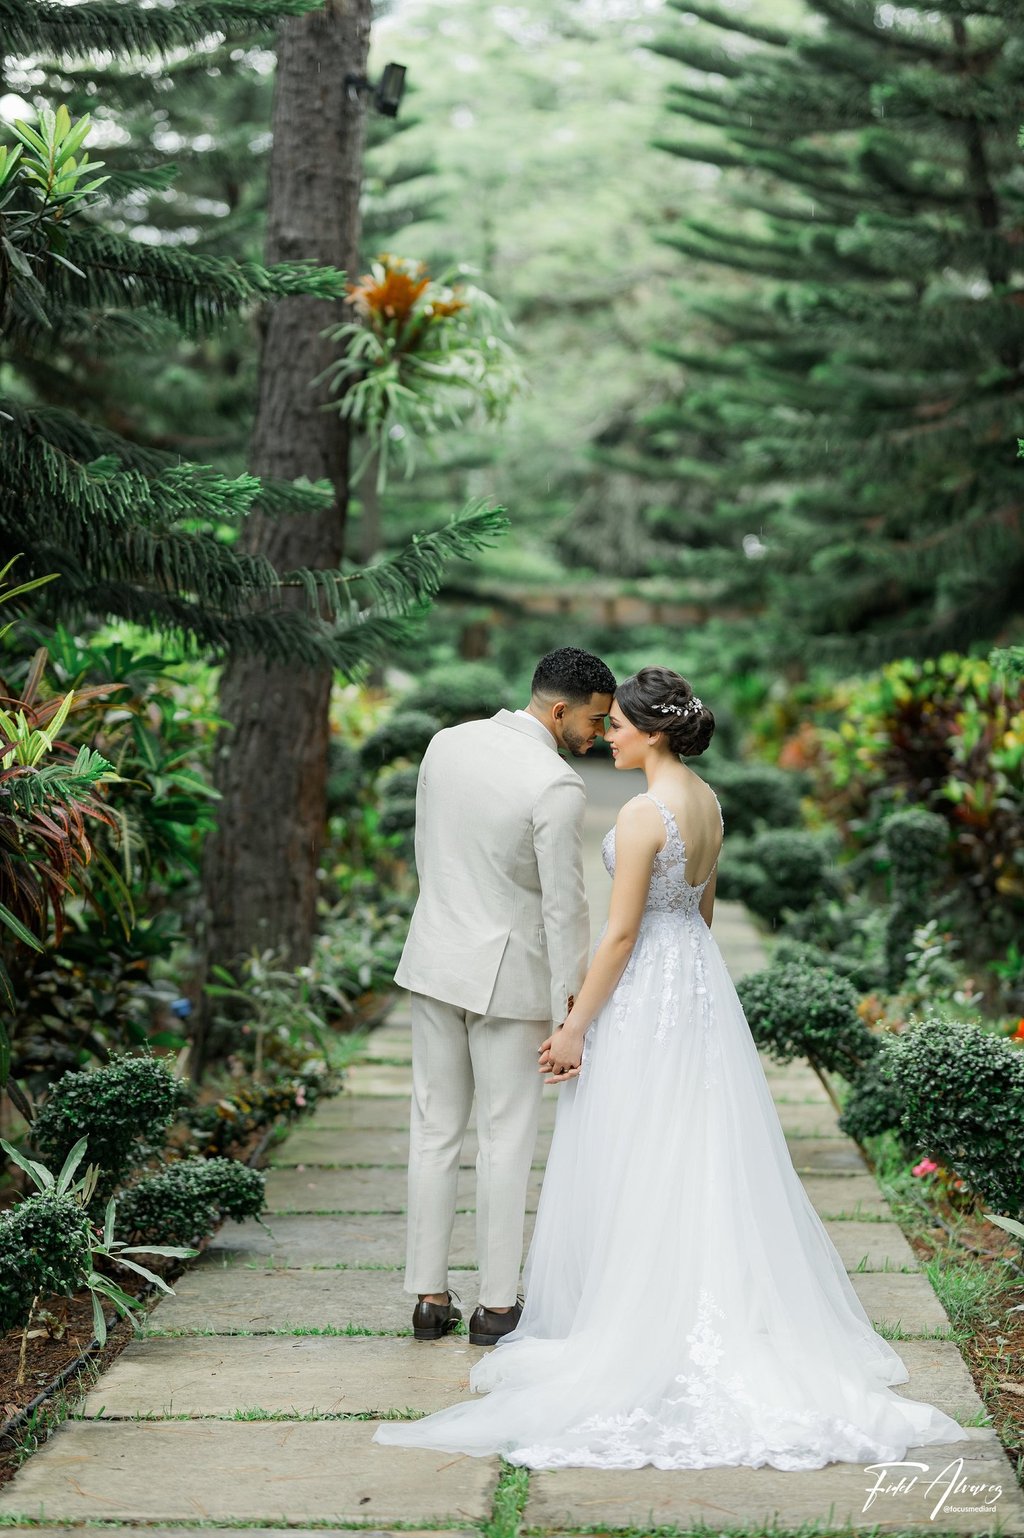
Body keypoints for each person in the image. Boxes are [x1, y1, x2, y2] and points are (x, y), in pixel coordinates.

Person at [375, 666, 972, 1470]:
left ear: (652, 732)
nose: (604, 735)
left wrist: (577, 1022)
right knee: (689, 1146)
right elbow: (697, 911)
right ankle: (565, 1298)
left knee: (594, 1145)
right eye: (601, 721)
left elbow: (618, 936)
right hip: (691, 983)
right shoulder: (706, 803)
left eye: (617, 725)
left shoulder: (603, 798)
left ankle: (497, 1300)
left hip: (556, 971)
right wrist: (624, 982)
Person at [392, 647, 616, 1348]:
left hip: (433, 959)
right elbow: (564, 911)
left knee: (433, 1132)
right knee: (505, 1140)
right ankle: (495, 1305)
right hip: (509, 983)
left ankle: (428, 1298)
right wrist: (569, 1015)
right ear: (559, 710)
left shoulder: (445, 744)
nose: (602, 735)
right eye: (596, 719)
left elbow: (429, 851)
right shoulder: (556, 784)